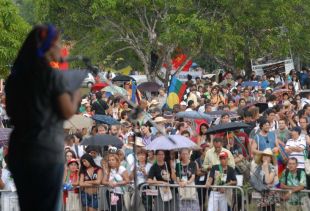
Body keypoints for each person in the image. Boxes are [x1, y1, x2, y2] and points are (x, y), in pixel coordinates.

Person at [5, 25, 81, 211]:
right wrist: (76, 90)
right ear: (47, 46)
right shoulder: (51, 76)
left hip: (20, 149)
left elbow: (11, 110)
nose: (61, 48)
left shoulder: (15, 78)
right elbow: (67, 111)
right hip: (46, 151)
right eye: (58, 44)